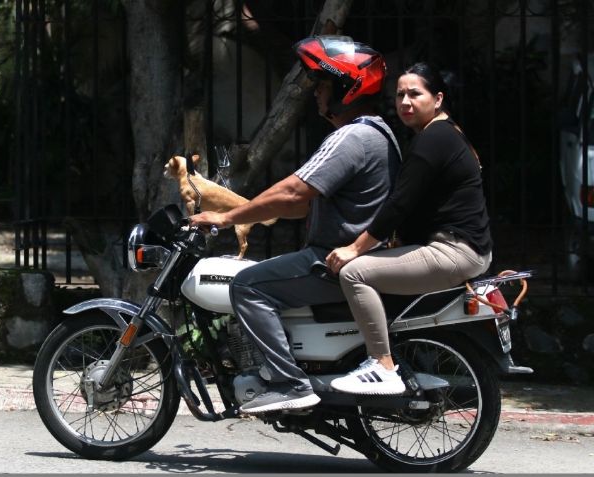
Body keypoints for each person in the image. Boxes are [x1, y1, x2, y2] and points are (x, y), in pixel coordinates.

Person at [188, 35, 401, 414]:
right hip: (347, 257)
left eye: (322, 84)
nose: (317, 93)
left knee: (247, 285)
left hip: (333, 261)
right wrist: (260, 212)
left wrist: (226, 216)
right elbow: (298, 207)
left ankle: (288, 383)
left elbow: (293, 192)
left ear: (346, 87)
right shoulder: (377, 133)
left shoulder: (353, 136)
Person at [326, 62, 493, 395]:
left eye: (415, 94)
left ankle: (382, 365)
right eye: (400, 94)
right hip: (462, 248)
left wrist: (354, 248)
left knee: (354, 273)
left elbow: (398, 205)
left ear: (438, 98)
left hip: (453, 251)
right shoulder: (446, 134)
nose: (405, 102)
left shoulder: (433, 139)